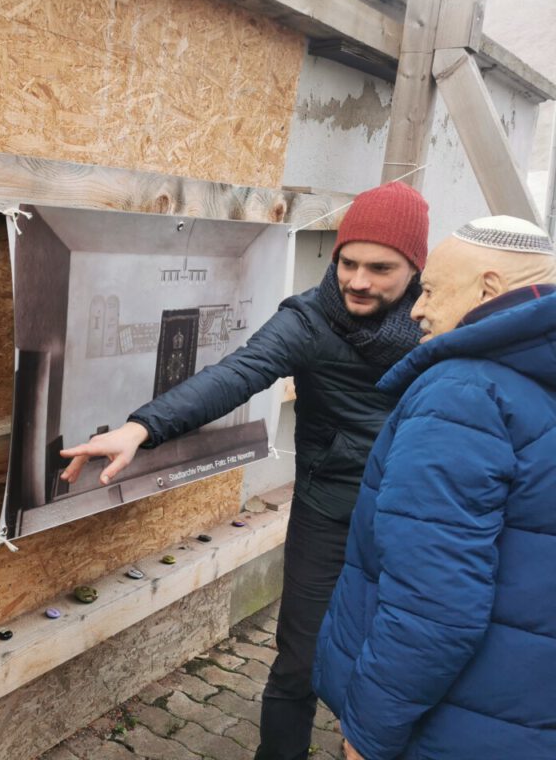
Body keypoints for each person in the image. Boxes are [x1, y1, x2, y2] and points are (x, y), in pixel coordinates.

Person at [60, 181, 429, 760]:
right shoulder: (309, 320)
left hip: (415, 511)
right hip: (328, 507)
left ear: (415, 268)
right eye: (348, 263)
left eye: (380, 268)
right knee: (300, 662)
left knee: (411, 660)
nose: (358, 281)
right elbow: (238, 372)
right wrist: (141, 428)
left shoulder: (442, 320)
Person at [313, 216, 556, 760]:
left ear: (488, 289)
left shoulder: (463, 392)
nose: (418, 309)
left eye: (430, 291)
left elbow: (432, 602)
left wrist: (368, 734)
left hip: (449, 727)